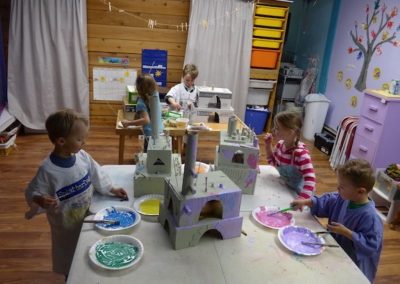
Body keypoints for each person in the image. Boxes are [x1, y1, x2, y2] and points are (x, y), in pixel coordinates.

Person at [25, 109, 128, 278]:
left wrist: (111, 188)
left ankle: (88, 273)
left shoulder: (82, 156)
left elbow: (96, 173)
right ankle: (71, 277)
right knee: (69, 253)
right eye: (80, 139)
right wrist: (40, 200)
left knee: (89, 244)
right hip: (65, 225)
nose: (84, 143)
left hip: (87, 213)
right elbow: (32, 191)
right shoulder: (48, 170)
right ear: (61, 141)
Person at [290, 159, 383, 283]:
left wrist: (348, 233)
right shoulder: (344, 197)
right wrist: (307, 202)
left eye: (342, 187)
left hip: (353, 264)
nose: (338, 189)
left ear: (360, 191)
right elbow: (328, 200)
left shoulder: (371, 217)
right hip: (335, 252)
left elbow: (371, 246)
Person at [264, 110, 316, 199]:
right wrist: (268, 145)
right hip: (286, 188)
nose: (274, 130)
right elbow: (273, 163)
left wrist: (302, 199)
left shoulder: (301, 155)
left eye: (277, 128)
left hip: (300, 194)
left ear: (291, 131)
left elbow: (310, 179)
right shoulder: (280, 145)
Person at [121, 73, 164, 152]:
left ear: (138, 87)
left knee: (149, 160)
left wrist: (128, 123)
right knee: (158, 160)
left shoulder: (140, 103)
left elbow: (146, 120)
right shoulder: (156, 95)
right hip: (161, 133)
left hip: (151, 136)